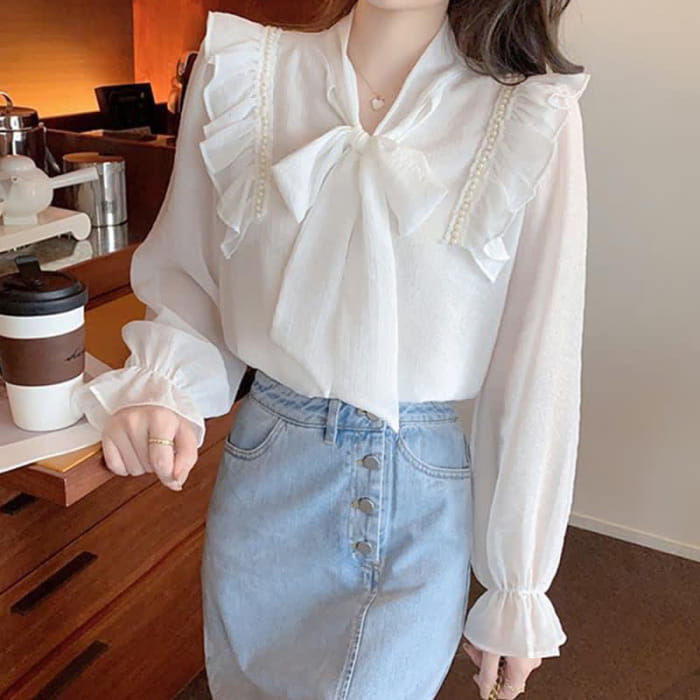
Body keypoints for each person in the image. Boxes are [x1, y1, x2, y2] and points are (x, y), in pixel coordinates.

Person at [71, 0, 591, 698]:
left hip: (416, 496)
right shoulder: (241, 71)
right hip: (265, 485)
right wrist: (166, 390)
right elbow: (193, 287)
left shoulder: (530, 112)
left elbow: (539, 365)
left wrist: (516, 584)